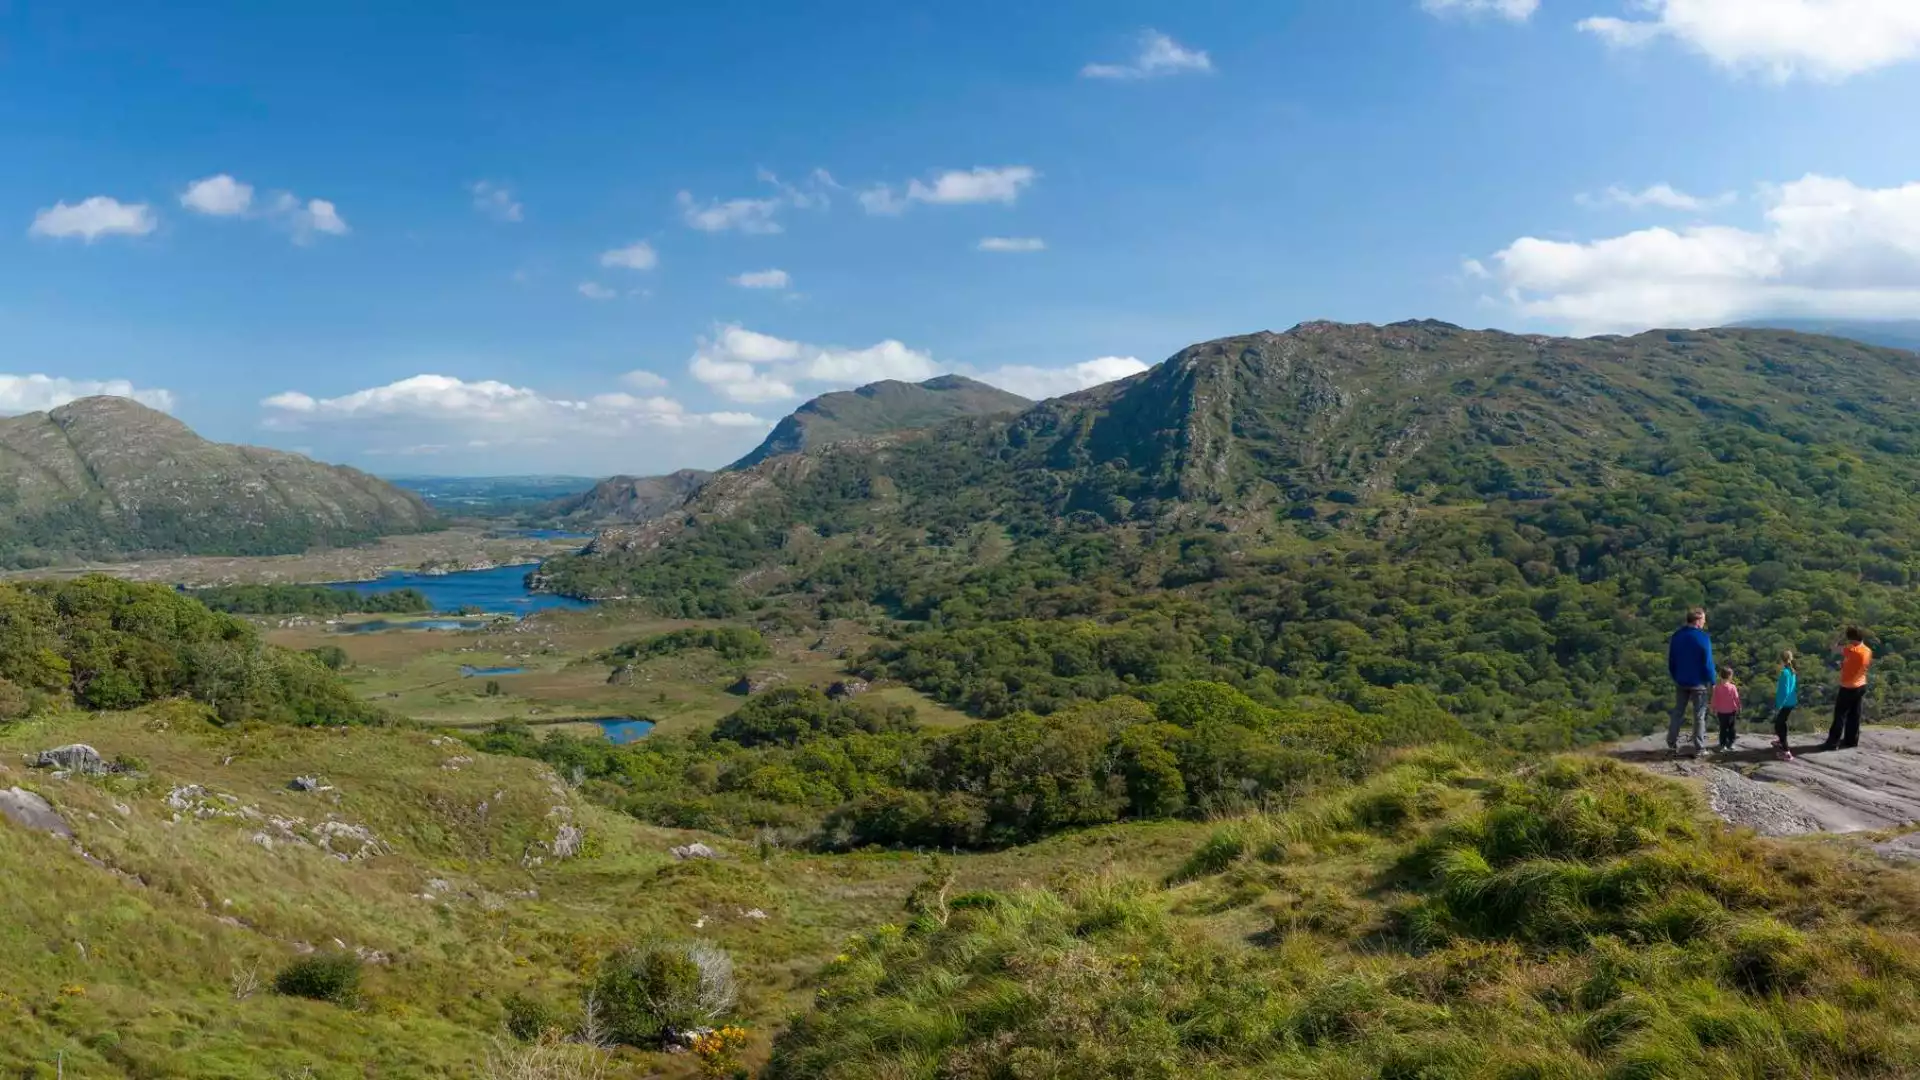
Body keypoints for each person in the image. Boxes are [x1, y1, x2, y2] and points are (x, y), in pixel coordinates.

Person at [1667, 608, 1714, 758]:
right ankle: (1699, 748)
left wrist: (1676, 676)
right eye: (1703, 619)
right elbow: (1707, 663)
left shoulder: (1677, 636)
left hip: (1681, 680)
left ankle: (1671, 744)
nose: (1705, 622)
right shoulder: (1703, 638)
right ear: (1698, 621)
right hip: (1698, 682)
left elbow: (1672, 660)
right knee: (1699, 715)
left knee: (1678, 713)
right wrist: (1712, 680)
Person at [1822, 627, 1873, 751]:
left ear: (1851, 639)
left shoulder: (1851, 650)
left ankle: (1832, 743)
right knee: (1854, 715)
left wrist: (1838, 637)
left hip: (1848, 687)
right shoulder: (1867, 650)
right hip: (1861, 685)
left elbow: (1833, 647)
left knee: (1840, 715)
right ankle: (1851, 741)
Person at [1772, 650, 1798, 761]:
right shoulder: (1791, 671)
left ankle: (1786, 752)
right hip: (1791, 702)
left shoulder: (1785, 673)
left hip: (1785, 703)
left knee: (1779, 725)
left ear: (1781, 660)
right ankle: (1781, 741)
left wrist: (1779, 704)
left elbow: (1785, 691)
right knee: (1782, 722)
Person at [1712, 667, 1741, 752]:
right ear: (1729, 676)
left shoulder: (1716, 687)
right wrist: (1739, 707)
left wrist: (1713, 708)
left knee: (1723, 728)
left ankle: (1723, 745)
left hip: (1721, 712)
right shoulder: (1733, 687)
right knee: (1731, 728)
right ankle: (1731, 743)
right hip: (1731, 711)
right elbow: (1736, 698)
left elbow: (1714, 699)